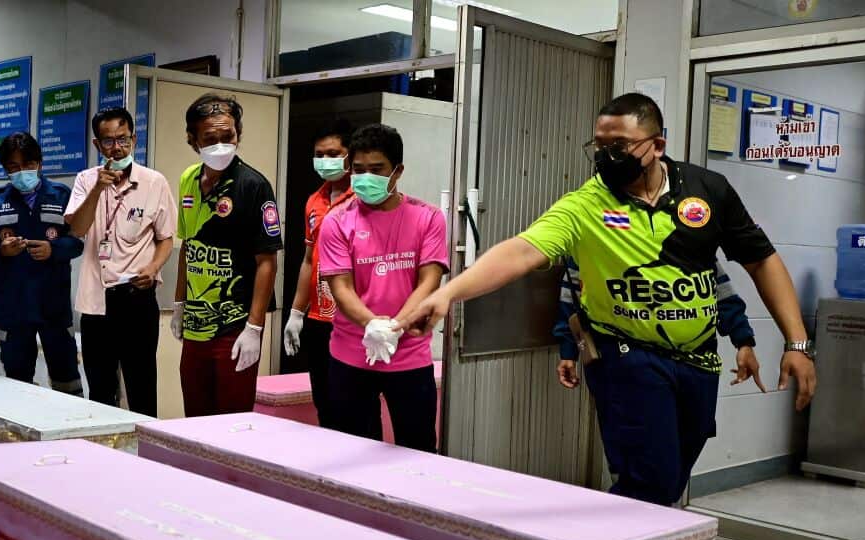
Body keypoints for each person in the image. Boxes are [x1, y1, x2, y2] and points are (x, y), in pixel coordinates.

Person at [405, 93, 817, 506]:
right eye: (599, 145)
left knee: (670, 477)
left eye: (618, 145)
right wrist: (448, 294)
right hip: (626, 356)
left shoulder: (708, 190)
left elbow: (760, 260)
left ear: (657, 145)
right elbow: (522, 251)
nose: (605, 155)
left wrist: (795, 342)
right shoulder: (587, 204)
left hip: (698, 359)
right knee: (649, 480)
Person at [320, 123, 447, 452]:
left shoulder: (428, 217)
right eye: (358, 170)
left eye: (376, 170)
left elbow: (430, 280)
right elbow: (341, 286)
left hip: (410, 356)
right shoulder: (337, 220)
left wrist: (394, 327)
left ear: (397, 171)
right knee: (354, 452)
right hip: (350, 356)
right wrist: (371, 324)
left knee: (417, 451)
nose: (365, 178)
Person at [172, 94, 282, 417]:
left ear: (238, 133)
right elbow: (188, 247)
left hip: (235, 328)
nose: (221, 144)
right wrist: (179, 304)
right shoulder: (188, 179)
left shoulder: (254, 186)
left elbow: (267, 263)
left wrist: (255, 328)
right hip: (196, 325)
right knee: (195, 415)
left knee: (232, 421)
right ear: (193, 141)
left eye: (228, 136)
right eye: (210, 139)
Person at [66, 107, 175, 416]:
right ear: (97, 145)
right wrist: (99, 188)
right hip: (97, 300)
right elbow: (77, 228)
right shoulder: (86, 181)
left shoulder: (154, 182)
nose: (117, 148)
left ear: (134, 140)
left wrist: (153, 269)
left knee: (141, 387)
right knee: (100, 389)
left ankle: (146, 457)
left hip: (137, 298)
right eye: (109, 141)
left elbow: (166, 239)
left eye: (123, 140)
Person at [0, 132, 84, 395]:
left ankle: (68, 432)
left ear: (40, 163)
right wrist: (1, 250)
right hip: (14, 305)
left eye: (28, 165)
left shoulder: (61, 195)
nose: (22, 172)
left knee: (66, 378)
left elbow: (79, 241)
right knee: (16, 381)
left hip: (53, 305)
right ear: (5, 169)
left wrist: (53, 249)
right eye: (13, 167)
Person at [554, 257, 763, 390]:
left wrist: (744, 341)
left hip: (698, 363)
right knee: (647, 449)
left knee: (688, 442)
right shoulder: (598, 229)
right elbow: (571, 296)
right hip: (629, 357)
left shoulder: (691, 233)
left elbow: (722, 293)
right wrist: (568, 350)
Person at [282, 118, 355, 428]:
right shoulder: (314, 201)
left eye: (333, 153)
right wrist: (296, 313)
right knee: (324, 402)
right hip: (318, 321)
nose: (325, 161)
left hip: (353, 320)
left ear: (350, 155)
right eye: (319, 154)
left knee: (353, 405)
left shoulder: (364, 198)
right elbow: (309, 260)